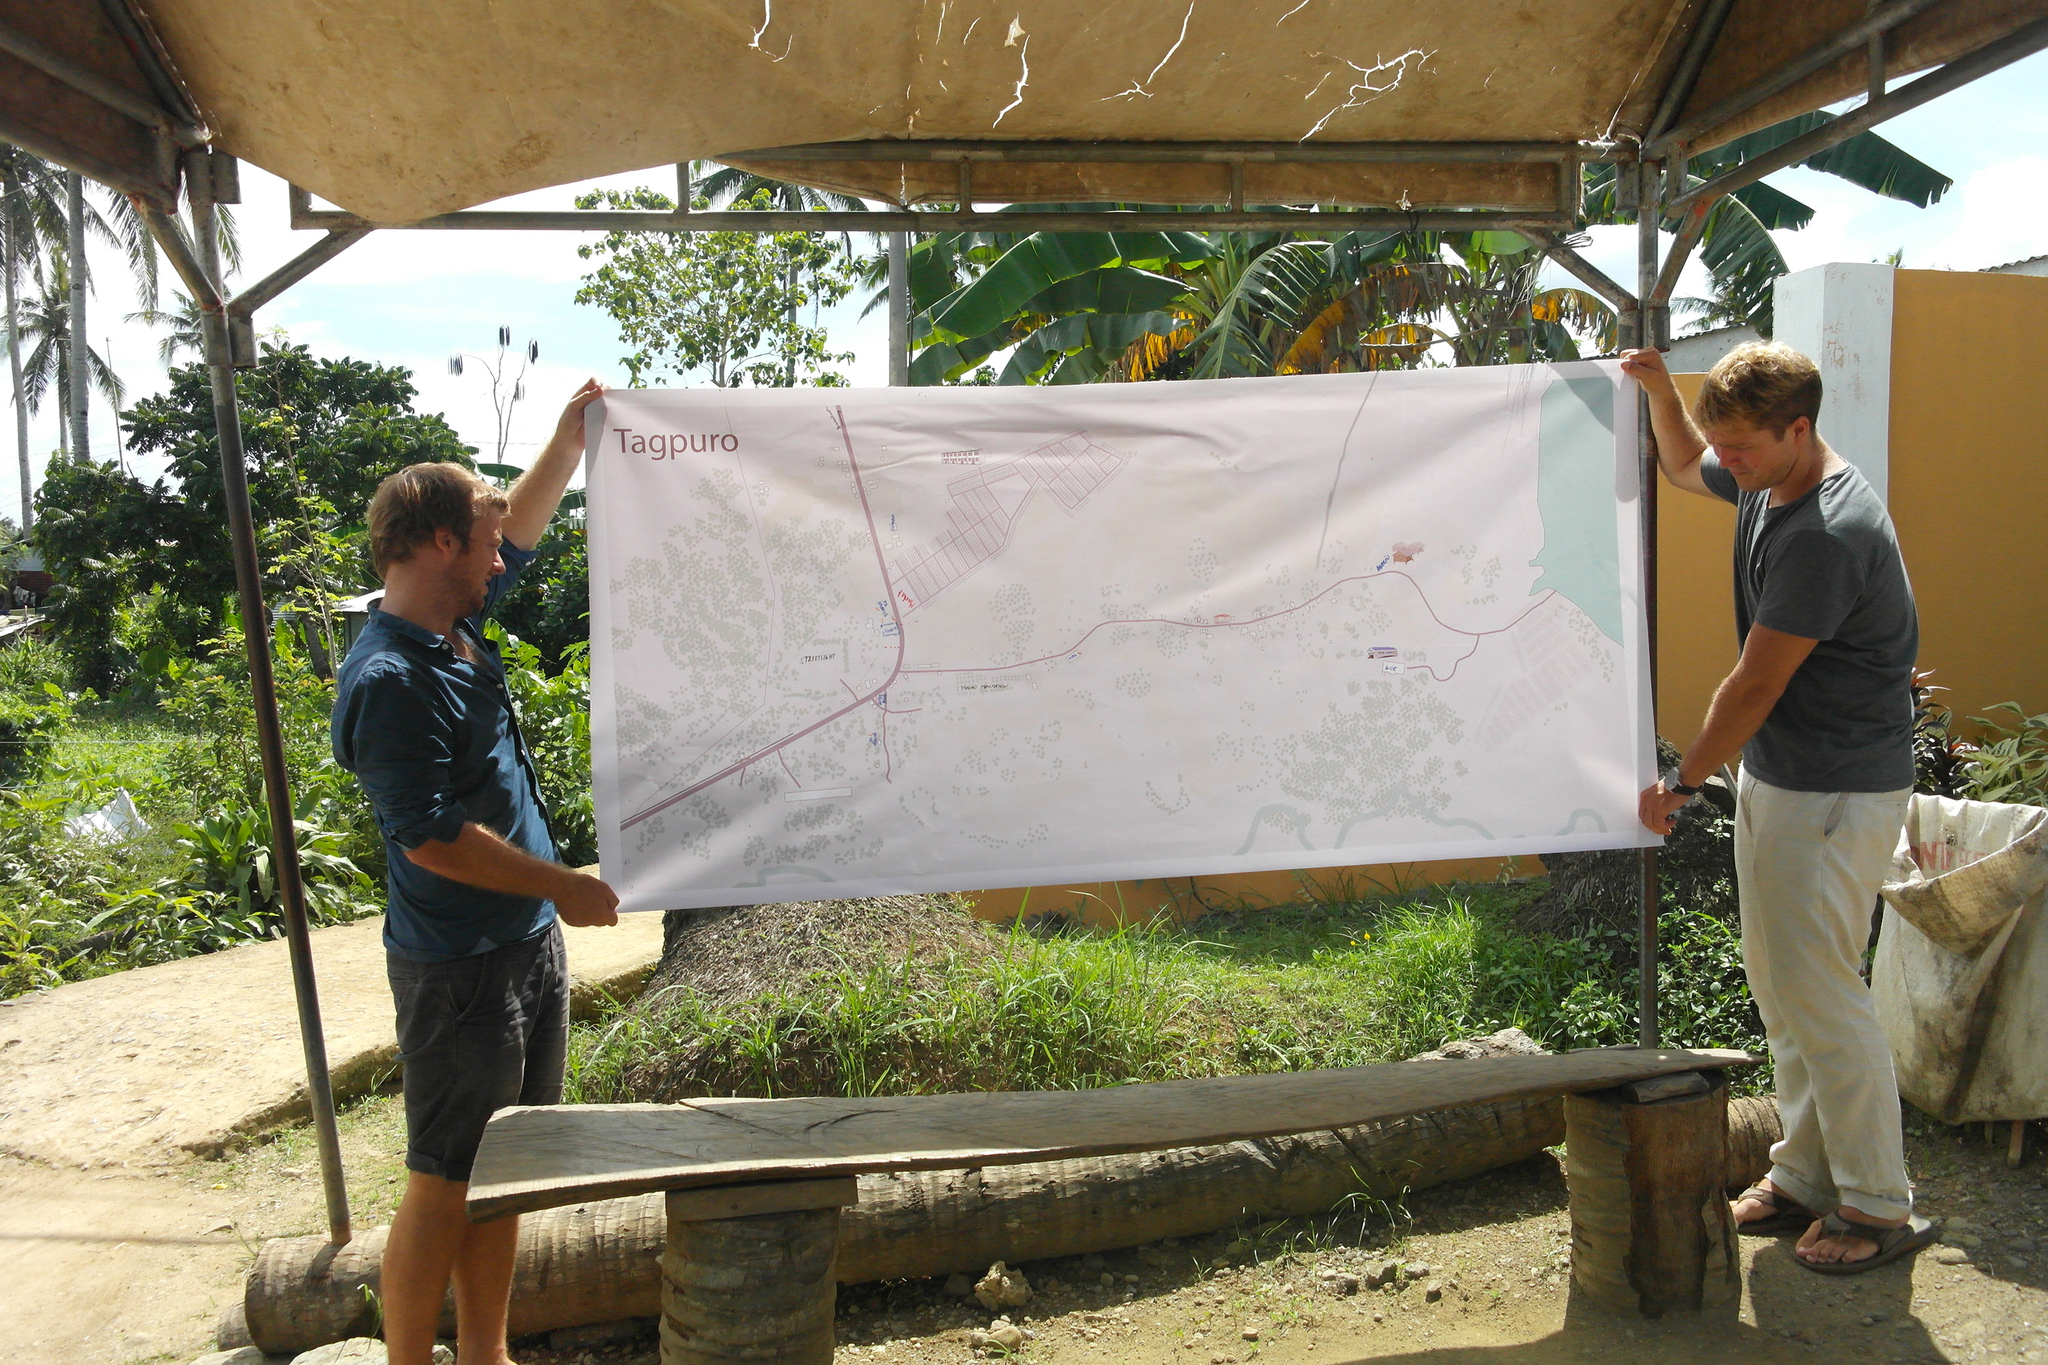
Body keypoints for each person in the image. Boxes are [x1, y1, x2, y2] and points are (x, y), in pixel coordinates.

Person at [1623, 342, 1935, 1274]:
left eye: (1744, 448)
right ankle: (1804, 1170)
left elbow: (1754, 684)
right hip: (1787, 776)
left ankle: (1877, 1203)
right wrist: (1662, 393)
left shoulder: (1825, 533)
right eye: (1727, 444)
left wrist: (1683, 781)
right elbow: (1684, 462)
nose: (1730, 463)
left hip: (1837, 788)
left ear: (1799, 429)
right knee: (1780, 985)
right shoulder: (1769, 478)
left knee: (1823, 993)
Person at [332, 380, 619, 1364]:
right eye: (487, 545)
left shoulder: (451, 626)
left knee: (505, 1171)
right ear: (440, 544)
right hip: (459, 970)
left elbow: (519, 527)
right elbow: (430, 836)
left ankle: (486, 1353)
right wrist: (562, 885)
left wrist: (565, 444)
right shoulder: (391, 677)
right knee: (444, 1177)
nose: (505, 562)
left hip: (522, 949)